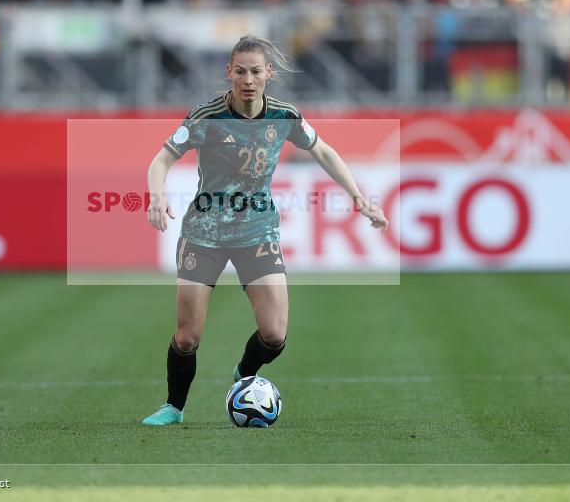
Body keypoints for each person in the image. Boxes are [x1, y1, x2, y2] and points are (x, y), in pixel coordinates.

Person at [142, 35, 388, 426]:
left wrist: (357, 197)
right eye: (240, 71)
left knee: (274, 334)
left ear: (268, 74)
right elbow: (161, 160)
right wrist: (156, 197)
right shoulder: (206, 117)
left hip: (257, 232)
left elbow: (322, 149)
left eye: (256, 71)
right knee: (187, 337)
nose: (248, 79)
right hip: (203, 233)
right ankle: (173, 407)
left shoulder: (285, 116)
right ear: (229, 73)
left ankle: (243, 377)